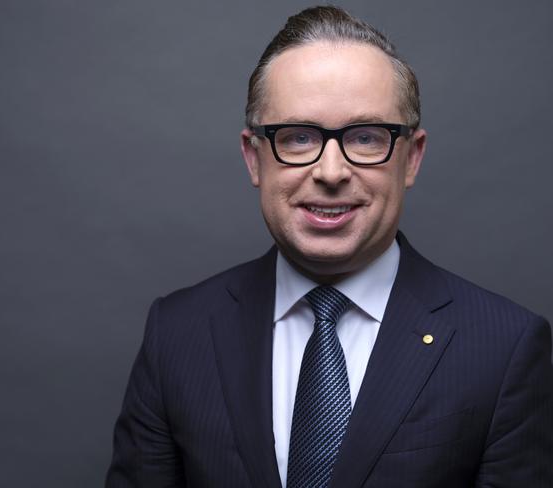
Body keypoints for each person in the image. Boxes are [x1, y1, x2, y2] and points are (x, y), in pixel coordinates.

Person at [106, 6, 553, 488]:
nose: (331, 172)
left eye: (366, 137)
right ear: (254, 158)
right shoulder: (176, 333)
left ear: (411, 159)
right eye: (297, 138)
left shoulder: (505, 349)